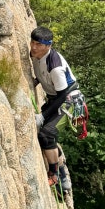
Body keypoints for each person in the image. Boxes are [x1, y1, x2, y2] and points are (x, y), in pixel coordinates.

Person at [30, 25, 75, 191]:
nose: (34, 47)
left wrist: (43, 115)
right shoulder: (35, 53)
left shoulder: (55, 66)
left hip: (69, 101)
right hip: (55, 98)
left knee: (46, 134)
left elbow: (63, 95)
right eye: (33, 42)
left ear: (48, 46)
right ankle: (61, 168)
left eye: (39, 44)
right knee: (47, 137)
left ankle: (55, 174)